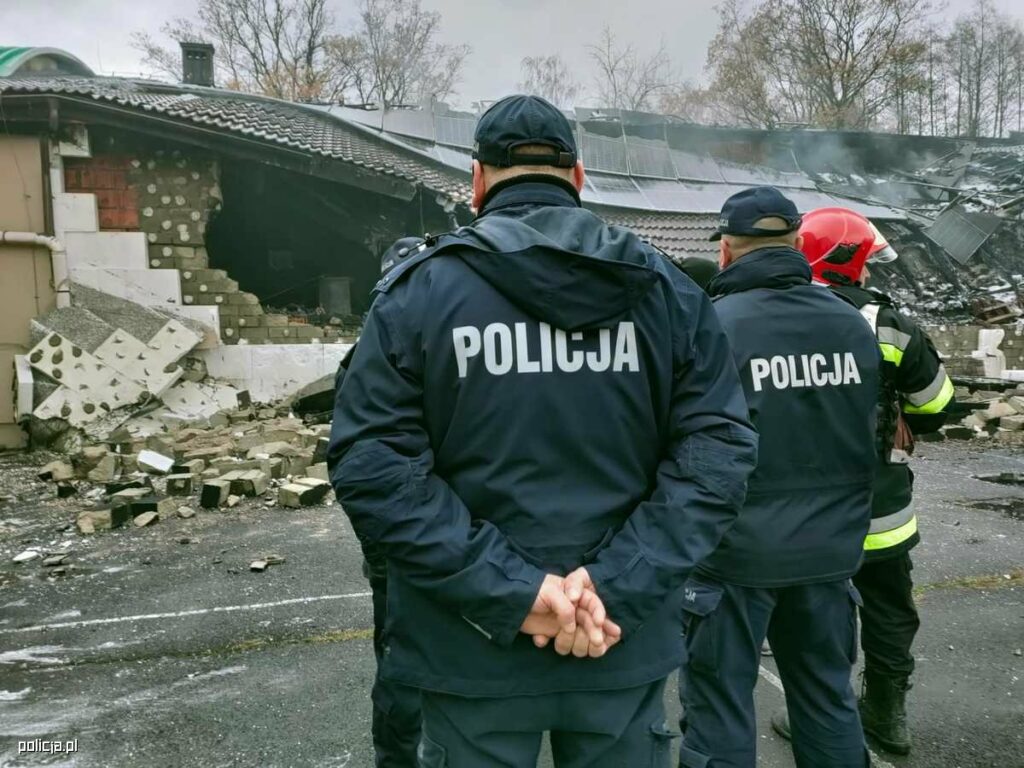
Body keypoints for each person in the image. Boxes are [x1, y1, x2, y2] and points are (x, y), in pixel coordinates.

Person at [328, 94, 758, 768]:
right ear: (579, 179)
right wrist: (613, 585)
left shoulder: (418, 293)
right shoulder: (669, 293)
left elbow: (372, 463)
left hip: (470, 649)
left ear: (476, 181)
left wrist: (514, 593)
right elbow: (718, 455)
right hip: (617, 636)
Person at [677, 186, 880, 768]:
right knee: (826, 700)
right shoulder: (850, 325)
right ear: (796, 242)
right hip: (831, 552)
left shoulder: (712, 326)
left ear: (727, 250)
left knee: (719, 709)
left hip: (735, 557)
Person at [770, 207, 955, 756]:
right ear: (848, 260)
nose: (872, 272)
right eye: (868, 260)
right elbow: (937, 405)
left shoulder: (775, 315)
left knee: (812, 617)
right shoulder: (888, 324)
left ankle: (822, 717)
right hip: (879, 509)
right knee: (889, 608)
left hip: (800, 512)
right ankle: (886, 714)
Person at [333, 237, 426, 767]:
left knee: (408, 662)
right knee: (401, 667)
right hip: (407, 547)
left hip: (415, 543)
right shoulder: (369, 358)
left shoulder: (373, 354)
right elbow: (359, 465)